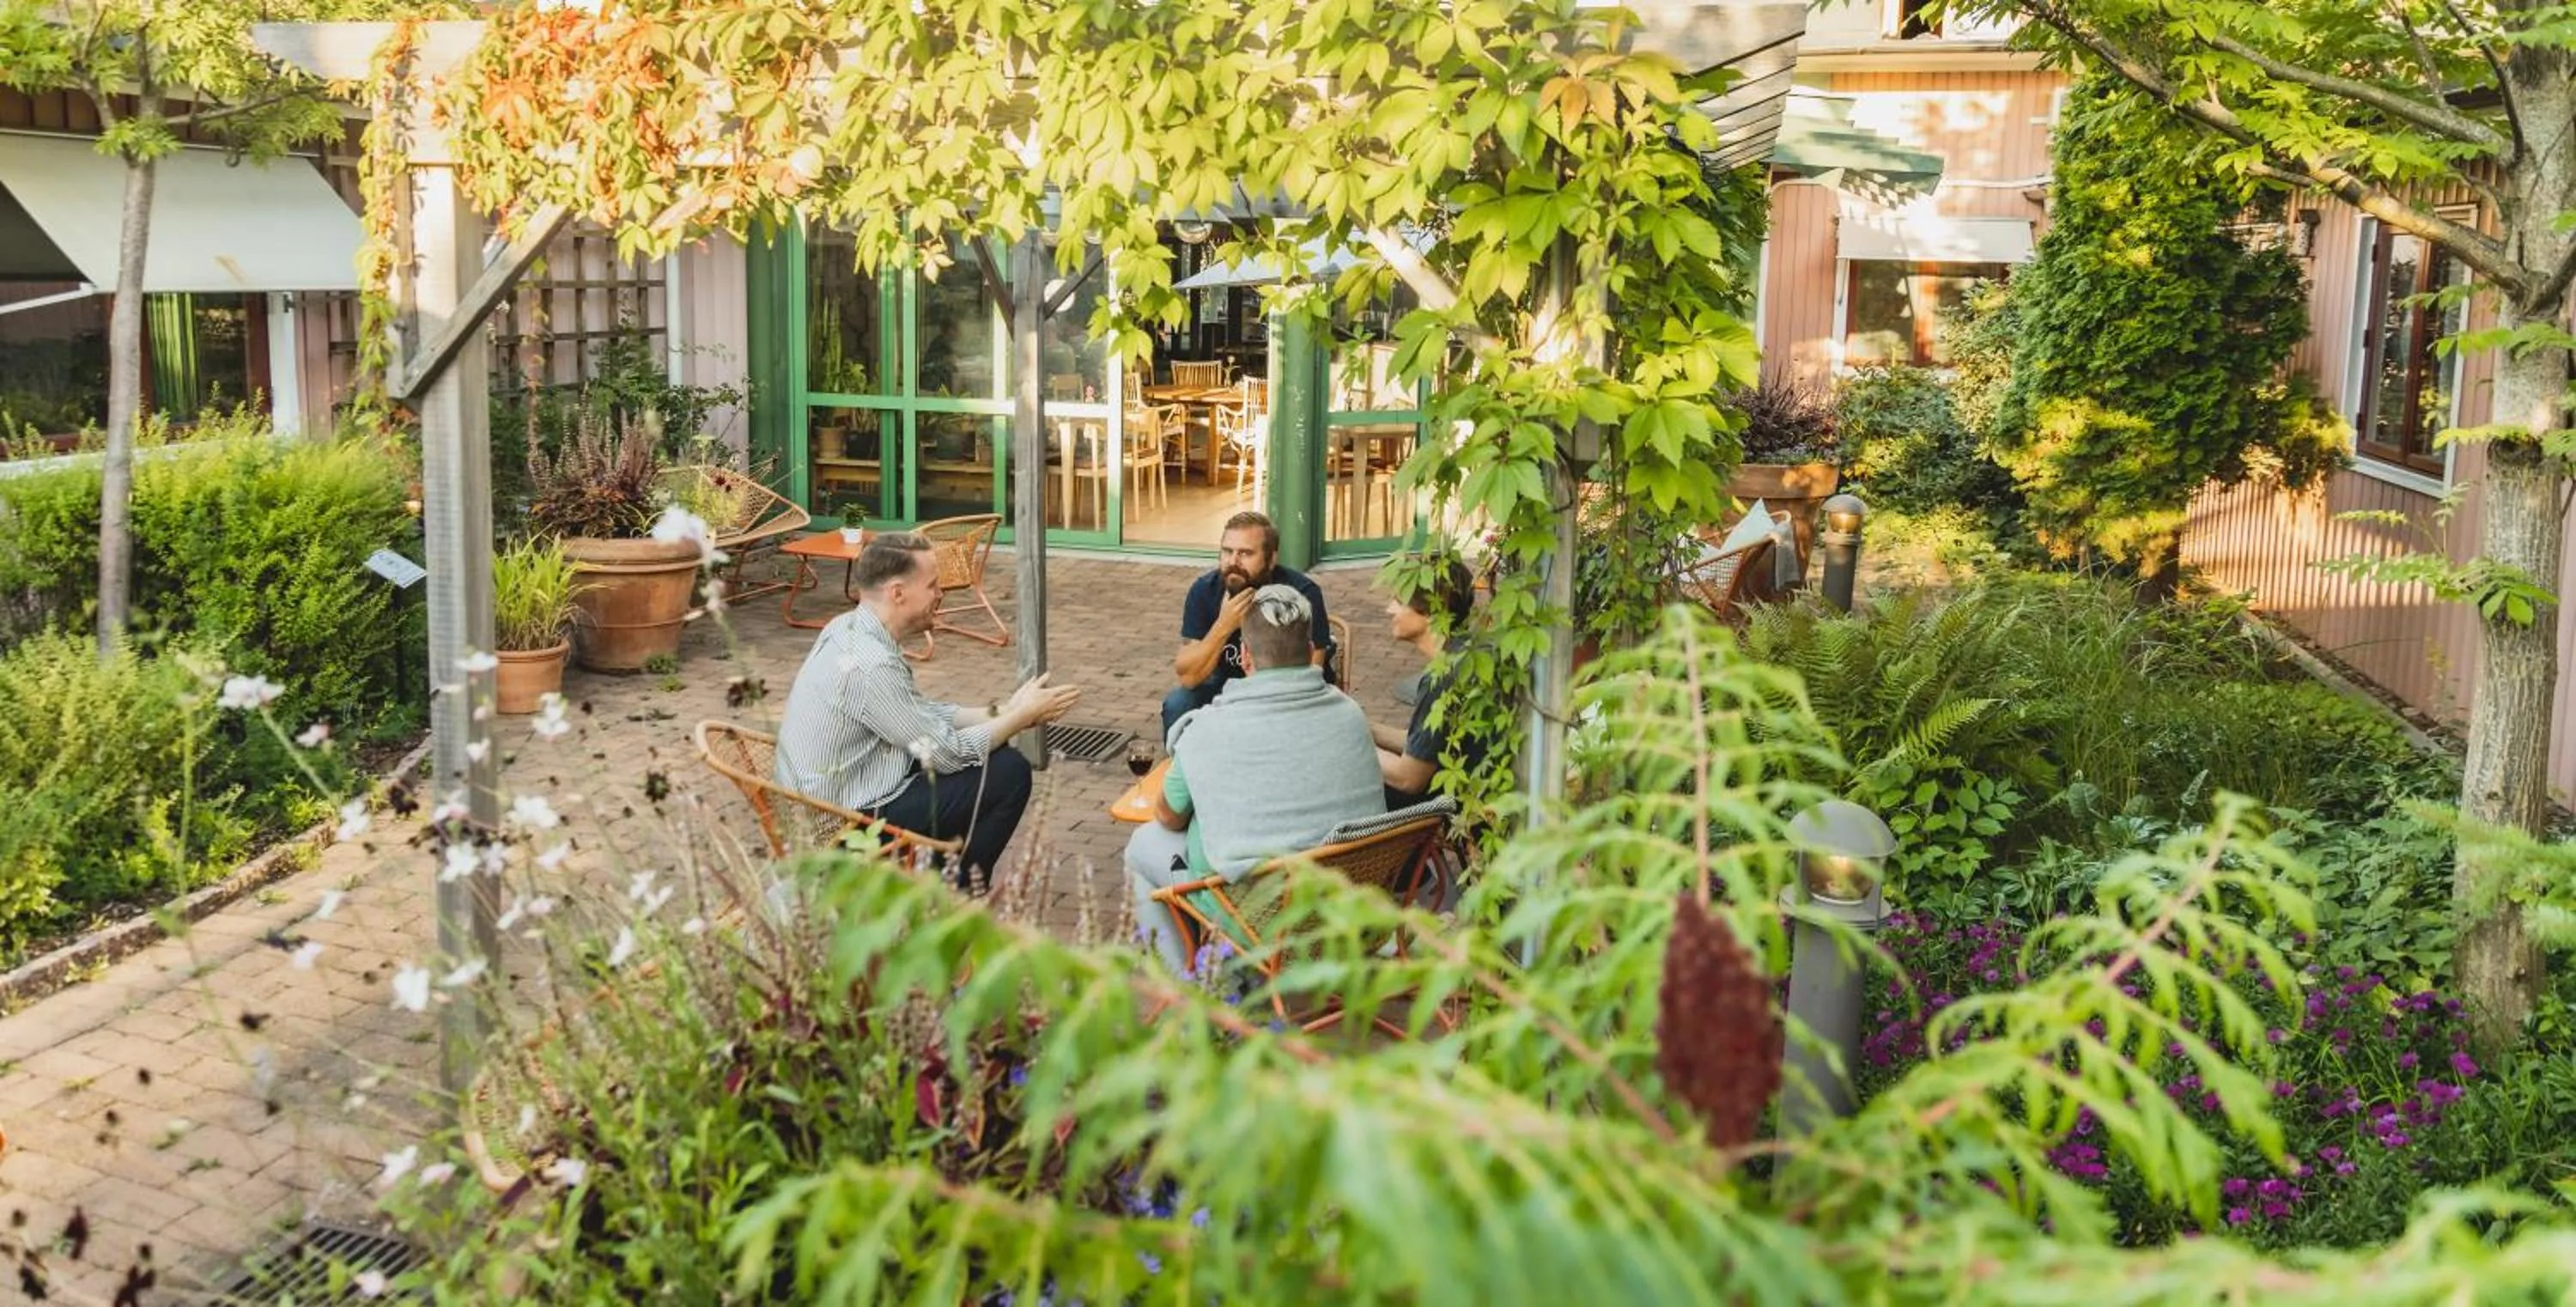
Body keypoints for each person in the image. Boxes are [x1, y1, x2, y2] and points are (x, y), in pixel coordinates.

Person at [775, 532, 1080, 889]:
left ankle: (933, 875)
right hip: (840, 824)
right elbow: (947, 753)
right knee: (1009, 773)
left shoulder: (849, 628)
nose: (941, 594)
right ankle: (954, 895)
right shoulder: (871, 665)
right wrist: (1020, 719)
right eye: (933, 585)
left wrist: (1005, 710)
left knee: (991, 760)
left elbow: (921, 714)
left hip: (844, 790)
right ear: (898, 593)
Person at [1126, 585, 1383, 973]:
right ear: (1313, 649)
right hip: (1349, 914)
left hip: (1259, 923)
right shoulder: (1351, 716)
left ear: (1245, 656)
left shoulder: (1209, 727)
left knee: (1143, 844)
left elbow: (1168, 817)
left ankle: (1185, 993)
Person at [1163, 511, 1334, 739]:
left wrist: (1249, 703)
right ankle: (1182, 773)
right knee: (1178, 703)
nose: (1233, 562)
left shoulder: (1301, 594)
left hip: (1284, 691)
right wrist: (1224, 624)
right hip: (1224, 684)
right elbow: (1188, 676)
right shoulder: (1205, 590)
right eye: (1227, 551)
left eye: (1245, 553)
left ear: (1271, 559)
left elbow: (1310, 673)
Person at [1373, 556, 1487, 809]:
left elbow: (1408, 778)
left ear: (1430, 611)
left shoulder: (1442, 678)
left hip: (1458, 806)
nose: (1389, 609)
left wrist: (1348, 745)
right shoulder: (1472, 653)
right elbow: (1425, 746)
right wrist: (1367, 729)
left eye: (1399, 601)